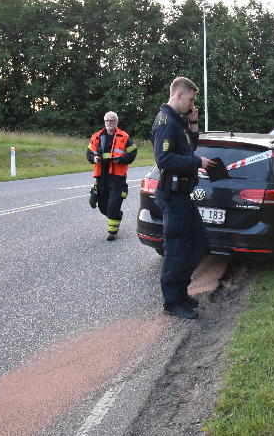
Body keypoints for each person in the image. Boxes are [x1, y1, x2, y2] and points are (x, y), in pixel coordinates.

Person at [151, 76, 216, 319]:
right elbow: (164, 160)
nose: (192, 103)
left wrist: (194, 123)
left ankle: (181, 292)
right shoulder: (166, 121)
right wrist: (197, 162)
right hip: (172, 195)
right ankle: (172, 302)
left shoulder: (179, 121)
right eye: (190, 98)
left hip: (184, 195)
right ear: (178, 94)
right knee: (176, 248)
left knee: (199, 242)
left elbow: (190, 148)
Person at [86, 111, 137, 241]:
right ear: (104, 122)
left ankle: (112, 232)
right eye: (107, 121)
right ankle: (116, 214)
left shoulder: (124, 136)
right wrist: (94, 158)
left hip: (117, 176)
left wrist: (120, 160)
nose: (109, 123)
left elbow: (132, 154)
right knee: (103, 206)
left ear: (116, 122)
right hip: (101, 176)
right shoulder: (96, 136)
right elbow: (88, 153)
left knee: (113, 204)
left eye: (112, 121)